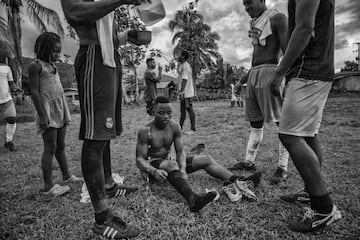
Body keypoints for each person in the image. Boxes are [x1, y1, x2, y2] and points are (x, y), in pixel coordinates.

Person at [61, 0, 150, 239]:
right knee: (95, 135)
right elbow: (76, 13)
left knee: (106, 131)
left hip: (109, 60)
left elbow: (104, 34)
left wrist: (125, 36)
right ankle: (102, 218)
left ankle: (109, 185)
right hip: (93, 58)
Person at [270, 0, 341, 232]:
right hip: (315, 68)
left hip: (308, 69)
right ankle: (310, 193)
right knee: (308, 134)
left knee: (289, 135)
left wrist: (280, 71)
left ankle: (323, 208)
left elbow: (304, 28)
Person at [136, 96, 262, 210]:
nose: (166, 117)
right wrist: (153, 171)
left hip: (168, 163)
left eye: (169, 113)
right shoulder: (145, 130)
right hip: (152, 167)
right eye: (161, 113)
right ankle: (193, 200)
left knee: (206, 159)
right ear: (153, 112)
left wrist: (183, 170)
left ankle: (239, 180)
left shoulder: (174, 127)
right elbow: (140, 160)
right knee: (171, 165)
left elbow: (180, 152)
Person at [229, 0, 289, 184]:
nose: (247, 8)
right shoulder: (255, 24)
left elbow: (288, 52)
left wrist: (281, 76)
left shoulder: (277, 18)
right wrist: (241, 81)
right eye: (244, 5)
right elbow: (255, 60)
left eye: (249, 3)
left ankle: (282, 167)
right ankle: (249, 162)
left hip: (271, 72)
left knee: (282, 124)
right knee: (255, 123)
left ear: (262, 0)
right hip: (254, 75)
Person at [28, 32, 82, 197]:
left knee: (61, 146)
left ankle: (66, 176)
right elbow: (35, 92)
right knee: (50, 147)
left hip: (59, 107)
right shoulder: (36, 66)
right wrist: (43, 116)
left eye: (59, 51)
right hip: (47, 110)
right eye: (54, 51)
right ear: (44, 48)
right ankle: (48, 186)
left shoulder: (53, 65)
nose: (57, 54)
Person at [0, 44, 19, 152]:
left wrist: (15, 89)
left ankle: (8, 141)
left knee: (12, 119)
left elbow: (11, 83)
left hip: (6, 99)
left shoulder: (7, 68)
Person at [178, 50, 196, 135]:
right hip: (186, 91)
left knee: (189, 109)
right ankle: (180, 128)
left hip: (186, 92)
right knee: (183, 110)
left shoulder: (185, 66)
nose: (178, 56)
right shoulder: (184, 65)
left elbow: (184, 79)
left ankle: (193, 128)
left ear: (183, 57)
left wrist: (182, 92)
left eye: (180, 55)